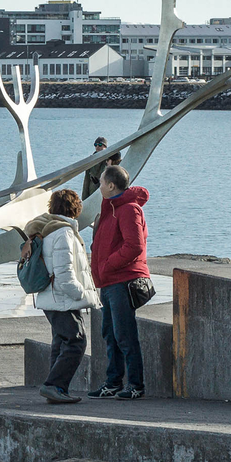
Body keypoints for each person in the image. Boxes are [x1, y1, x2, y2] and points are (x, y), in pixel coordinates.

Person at [23, 188, 96, 403]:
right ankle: (54, 385)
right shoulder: (63, 233)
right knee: (77, 341)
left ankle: (56, 389)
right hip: (62, 298)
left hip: (51, 297)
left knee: (60, 342)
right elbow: (64, 274)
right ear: (75, 209)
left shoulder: (46, 230)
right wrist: (81, 293)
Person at [89, 162, 151, 398]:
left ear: (111, 185)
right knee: (110, 333)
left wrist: (107, 265)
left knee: (125, 334)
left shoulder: (128, 209)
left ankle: (135, 386)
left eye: (102, 182)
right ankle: (113, 382)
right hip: (109, 281)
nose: (100, 186)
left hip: (122, 280)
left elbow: (134, 246)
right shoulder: (111, 207)